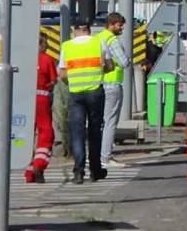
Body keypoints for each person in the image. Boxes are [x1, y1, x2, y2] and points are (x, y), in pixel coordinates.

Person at [58, 19, 113, 184]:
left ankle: (78, 172)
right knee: (95, 131)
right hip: (95, 92)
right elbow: (110, 66)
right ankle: (95, 170)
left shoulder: (67, 46)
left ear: (75, 30)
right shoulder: (99, 43)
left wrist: (73, 81)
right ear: (89, 30)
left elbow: (62, 74)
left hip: (75, 94)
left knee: (77, 132)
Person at [96, 12, 130, 168]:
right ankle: (105, 157)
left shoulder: (97, 38)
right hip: (112, 84)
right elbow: (124, 62)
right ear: (111, 24)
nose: (121, 27)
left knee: (99, 122)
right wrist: (124, 60)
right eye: (119, 24)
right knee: (110, 122)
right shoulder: (112, 40)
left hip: (97, 84)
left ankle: (97, 154)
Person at [24, 35, 58, 183]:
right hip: (42, 97)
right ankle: (39, 164)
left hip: (24, 98)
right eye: (46, 44)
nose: (48, 46)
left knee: (26, 135)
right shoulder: (46, 59)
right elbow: (53, 81)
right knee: (46, 133)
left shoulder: (23, 58)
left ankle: (28, 169)